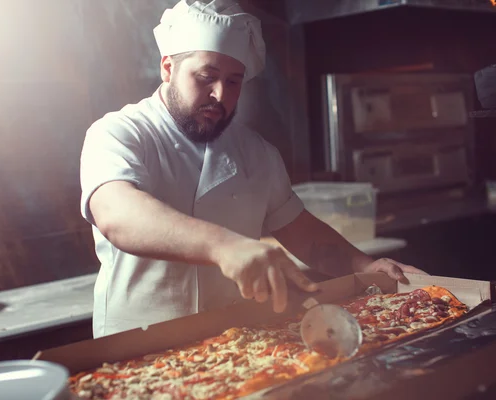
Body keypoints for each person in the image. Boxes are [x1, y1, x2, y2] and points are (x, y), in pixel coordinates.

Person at [80, 0, 426, 338]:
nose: (220, 94)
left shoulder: (257, 154)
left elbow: (301, 231)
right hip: (137, 349)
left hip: (231, 342)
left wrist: (362, 266)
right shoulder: (120, 132)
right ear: (167, 68)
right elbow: (116, 213)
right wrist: (224, 245)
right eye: (206, 77)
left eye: (234, 82)